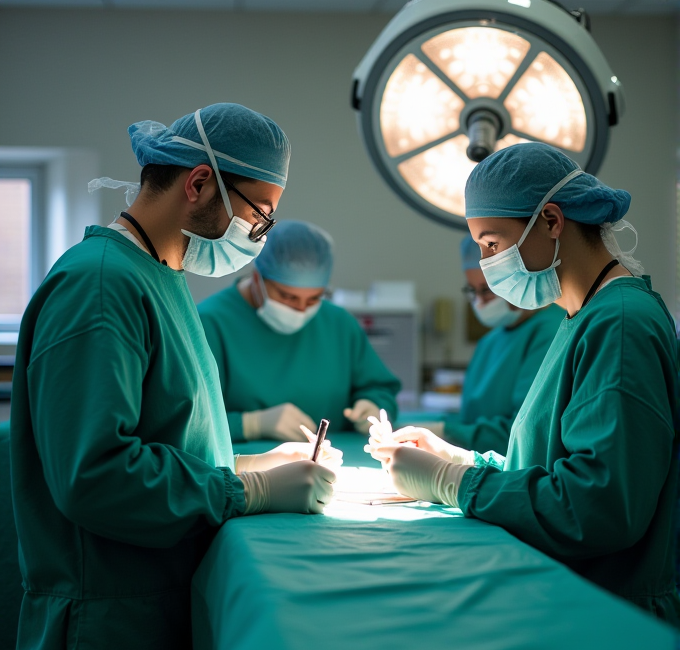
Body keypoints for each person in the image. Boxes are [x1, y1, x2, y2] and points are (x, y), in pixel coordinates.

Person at [10, 104, 341, 650]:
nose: (258, 237)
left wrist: (251, 464)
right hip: (107, 626)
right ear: (199, 183)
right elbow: (96, 476)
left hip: (153, 601)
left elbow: (165, 438)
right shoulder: (101, 285)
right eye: (258, 216)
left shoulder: (161, 277)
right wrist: (251, 491)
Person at [367, 142, 680, 625]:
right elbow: (553, 465)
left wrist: (453, 483)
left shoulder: (620, 324)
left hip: (612, 615)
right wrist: (458, 457)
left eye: (492, 245)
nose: (488, 268)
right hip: (574, 595)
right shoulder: (581, 317)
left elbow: (595, 508)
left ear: (552, 221)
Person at [198, 219, 401, 442]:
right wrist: (248, 425)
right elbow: (184, 421)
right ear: (257, 279)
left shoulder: (339, 323)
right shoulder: (209, 323)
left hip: (336, 464)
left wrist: (373, 407)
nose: (301, 309)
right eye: (288, 296)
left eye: (314, 298)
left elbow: (379, 388)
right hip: (246, 469)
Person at [431, 235, 562, 455]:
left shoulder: (552, 331)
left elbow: (526, 434)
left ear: (522, 278)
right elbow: (470, 419)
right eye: (472, 291)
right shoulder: (489, 342)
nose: (479, 301)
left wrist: (446, 433)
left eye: (486, 289)